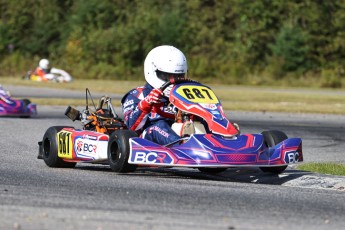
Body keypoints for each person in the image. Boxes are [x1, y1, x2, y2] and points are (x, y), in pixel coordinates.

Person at [121, 45, 194, 145]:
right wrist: (147, 103)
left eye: (178, 76)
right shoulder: (137, 94)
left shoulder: (184, 95)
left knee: (198, 123)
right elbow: (131, 126)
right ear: (153, 71)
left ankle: (214, 145)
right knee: (159, 126)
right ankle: (183, 147)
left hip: (178, 133)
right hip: (145, 139)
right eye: (167, 76)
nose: (174, 81)